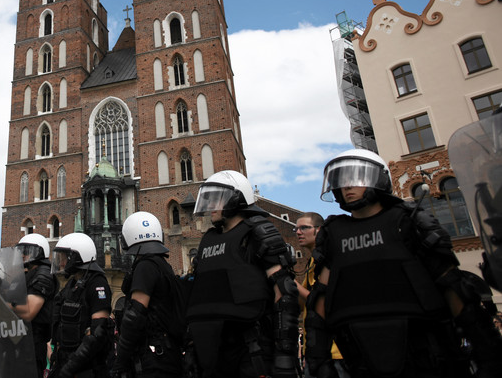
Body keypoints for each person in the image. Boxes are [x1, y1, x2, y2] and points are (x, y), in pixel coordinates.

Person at [306, 148, 502, 378]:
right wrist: (318, 360)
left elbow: (452, 286)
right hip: (360, 353)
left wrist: (486, 351)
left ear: (377, 179)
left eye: (355, 178)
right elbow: (320, 299)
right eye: (340, 181)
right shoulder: (333, 234)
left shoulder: (409, 221)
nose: (346, 186)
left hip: (423, 350)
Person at [186, 169, 299, 378]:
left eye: (217, 199)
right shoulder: (208, 240)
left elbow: (284, 292)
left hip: (251, 344)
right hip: (215, 346)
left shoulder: (258, 232)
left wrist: (284, 354)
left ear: (235, 199)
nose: (211, 206)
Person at [111, 211, 184, 378]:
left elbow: (135, 316)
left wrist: (120, 361)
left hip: (153, 357)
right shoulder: (163, 265)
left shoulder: (145, 266)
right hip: (169, 353)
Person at [49, 232, 113, 378]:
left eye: (64, 257)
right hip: (66, 361)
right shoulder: (71, 285)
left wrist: (71, 367)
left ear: (77, 257)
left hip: (86, 368)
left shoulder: (97, 283)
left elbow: (98, 332)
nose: (61, 262)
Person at [294, 212, 347, 378]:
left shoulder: (327, 259)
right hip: (315, 350)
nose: (298, 232)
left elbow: (319, 300)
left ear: (319, 230)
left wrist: (292, 283)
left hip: (334, 351)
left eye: (304, 228)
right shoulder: (311, 262)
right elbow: (303, 305)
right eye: (296, 229)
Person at [12, 233, 58, 378]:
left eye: (26, 251)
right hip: (22, 338)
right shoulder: (29, 273)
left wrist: (2, 303)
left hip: (33, 341)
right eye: (21, 251)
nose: (22, 255)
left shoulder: (43, 274)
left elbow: (29, 311)